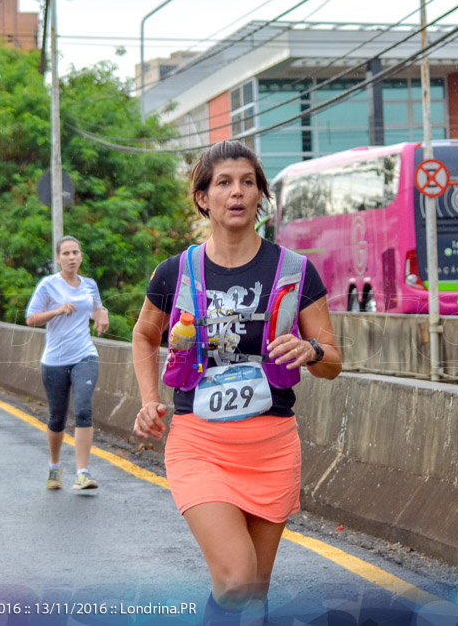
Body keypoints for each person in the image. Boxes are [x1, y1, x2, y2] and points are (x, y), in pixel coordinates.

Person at [132, 140, 341, 623]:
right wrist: (148, 400)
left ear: (260, 195)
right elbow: (145, 336)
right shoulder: (175, 272)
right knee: (235, 579)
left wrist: (310, 351)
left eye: (248, 182)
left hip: (271, 447)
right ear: (203, 198)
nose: (237, 192)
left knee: (254, 595)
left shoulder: (295, 271)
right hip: (200, 444)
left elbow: (333, 360)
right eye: (223, 182)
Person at [26, 236, 110, 492]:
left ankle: (82, 473)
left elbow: (96, 308)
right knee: (57, 417)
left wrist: (102, 313)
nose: (72, 257)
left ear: (81, 256)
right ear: (59, 258)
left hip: (85, 354)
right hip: (54, 360)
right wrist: (57, 311)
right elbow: (31, 319)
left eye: (75, 252)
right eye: (66, 253)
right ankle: (54, 466)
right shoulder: (48, 285)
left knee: (83, 409)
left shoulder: (90, 285)